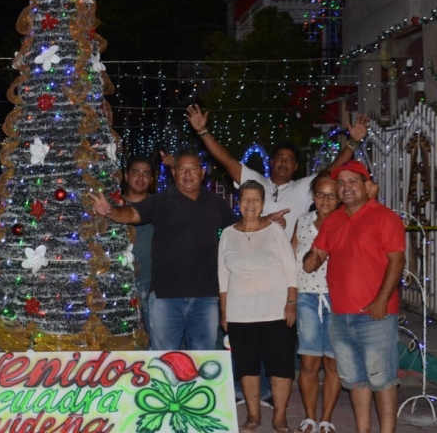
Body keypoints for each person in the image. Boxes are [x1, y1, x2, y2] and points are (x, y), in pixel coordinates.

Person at [91, 148, 238, 351]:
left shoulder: (215, 202)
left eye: (193, 169)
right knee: (164, 360)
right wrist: (110, 211)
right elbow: (131, 214)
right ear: (173, 172)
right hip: (166, 298)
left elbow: (239, 229)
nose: (188, 175)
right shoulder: (160, 201)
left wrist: (265, 221)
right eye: (182, 169)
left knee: (203, 360)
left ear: (202, 173)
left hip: (206, 297)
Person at [303, 160, 405, 433]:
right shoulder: (334, 220)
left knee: (382, 380)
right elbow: (318, 253)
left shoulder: (385, 217)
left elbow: (397, 261)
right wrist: (310, 260)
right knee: (356, 380)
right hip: (340, 315)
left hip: (376, 314)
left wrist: (382, 300)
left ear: (365, 185)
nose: (345, 187)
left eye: (352, 181)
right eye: (340, 182)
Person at [184, 104, 368, 238]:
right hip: (256, 257)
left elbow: (332, 168)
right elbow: (227, 160)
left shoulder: (303, 188)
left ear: (296, 167)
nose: (284, 163)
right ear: (271, 162)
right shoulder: (256, 182)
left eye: (290, 160)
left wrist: (353, 142)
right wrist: (202, 131)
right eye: (280, 158)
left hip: (290, 264)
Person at [218, 180, 298, 433]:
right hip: (241, 312)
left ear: (263, 204)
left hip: (276, 311)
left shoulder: (274, 230)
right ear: (238, 203)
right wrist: (224, 311)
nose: (250, 204)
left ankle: (280, 417)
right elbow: (222, 275)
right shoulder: (228, 233)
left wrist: (291, 302)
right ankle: (253, 415)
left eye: (256, 200)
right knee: (247, 367)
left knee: (281, 367)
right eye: (245, 199)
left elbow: (290, 268)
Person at [292, 173, 342, 433]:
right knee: (309, 362)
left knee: (332, 363)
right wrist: (289, 298)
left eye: (331, 195)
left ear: (339, 197)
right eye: (320, 194)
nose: (325, 200)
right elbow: (291, 259)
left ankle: (327, 418)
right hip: (306, 298)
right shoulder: (302, 222)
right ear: (313, 196)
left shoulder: (346, 223)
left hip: (338, 299)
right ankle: (310, 417)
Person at [123, 156, 155, 336]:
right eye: (135, 173)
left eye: (146, 174)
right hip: (121, 284)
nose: (140, 178)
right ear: (126, 176)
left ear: (151, 180)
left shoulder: (158, 205)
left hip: (153, 284)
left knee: (156, 340)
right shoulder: (114, 206)